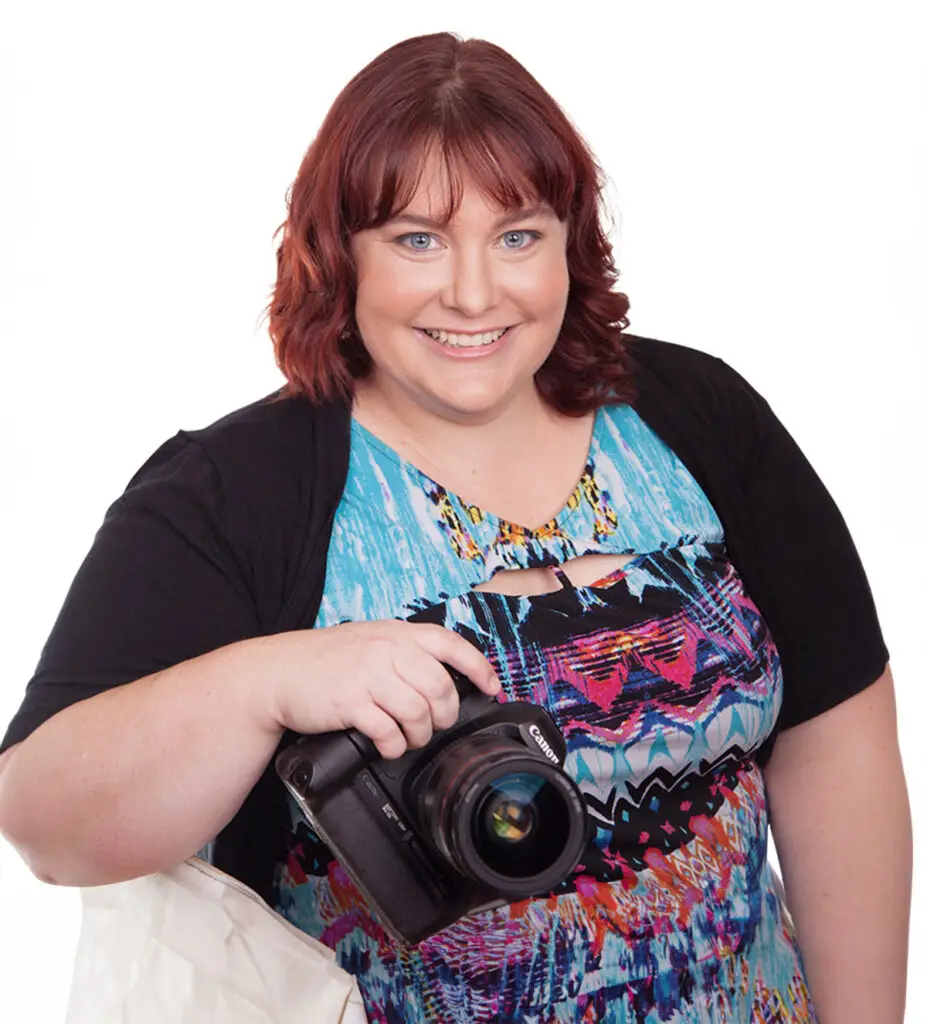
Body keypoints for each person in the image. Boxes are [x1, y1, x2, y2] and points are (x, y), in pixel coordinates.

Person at [0, 30, 912, 1024]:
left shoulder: (698, 414)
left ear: (572, 241)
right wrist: (264, 681)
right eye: (417, 240)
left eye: (517, 235)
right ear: (339, 251)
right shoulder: (237, 493)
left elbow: (834, 738)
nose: (474, 293)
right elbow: (44, 816)